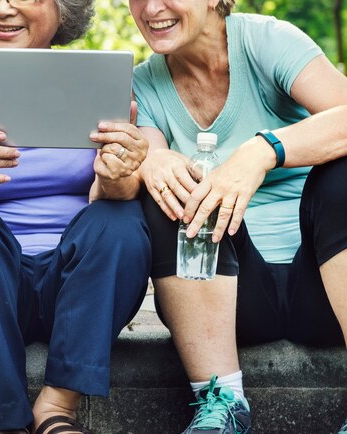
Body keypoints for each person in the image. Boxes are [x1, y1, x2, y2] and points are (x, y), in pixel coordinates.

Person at [0, 0, 152, 432]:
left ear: (63, 9)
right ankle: (4, 418)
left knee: (122, 221)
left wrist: (118, 176)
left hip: (77, 285)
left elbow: (114, 196)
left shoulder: (101, 84)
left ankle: (57, 407)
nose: (3, 8)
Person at [129, 0, 347, 432]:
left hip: (327, 287)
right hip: (230, 300)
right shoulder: (142, 84)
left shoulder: (266, 41)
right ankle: (222, 404)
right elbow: (150, 156)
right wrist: (151, 160)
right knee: (167, 187)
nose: (152, 8)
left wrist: (262, 151)